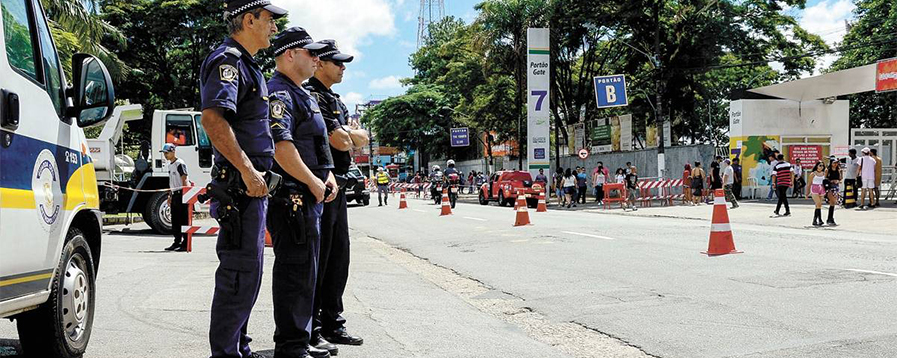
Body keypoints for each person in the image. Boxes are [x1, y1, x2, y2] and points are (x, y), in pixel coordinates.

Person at [199, 2, 286, 357]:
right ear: (249, 20)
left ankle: (239, 347)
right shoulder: (228, 61)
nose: (274, 29)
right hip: (240, 185)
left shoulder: (247, 65)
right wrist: (248, 170)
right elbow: (213, 120)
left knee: (248, 275)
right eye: (269, 21)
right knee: (238, 275)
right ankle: (225, 353)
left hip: (251, 187)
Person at [267, 27, 340, 358]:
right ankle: (291, 344)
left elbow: (317, 142)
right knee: (294, 270)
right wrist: (312, 181)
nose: (316, 58)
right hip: (292, 197)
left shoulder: (303, 93)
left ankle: (305, 336)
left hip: (311, 194)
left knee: (309, 270)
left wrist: (327, 175)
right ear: (290, 55)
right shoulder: (279, 93)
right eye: (310, 53)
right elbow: (282, 147)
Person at [304, 39, 367, 352]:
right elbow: (341, 140)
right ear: (320, 63)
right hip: (320, 183)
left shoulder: (336, 100)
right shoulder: (311, 94)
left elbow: (360, 137)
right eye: (338, 62)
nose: (343, 68)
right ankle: (312, 328)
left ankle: (333, 323)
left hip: (340, 184)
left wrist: (351, 136)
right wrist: (351, 136)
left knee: (339, 257)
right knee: (321, 258)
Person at [162, 143, 190, 251]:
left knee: (183, 219)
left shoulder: (179, 163)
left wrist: (185, 194)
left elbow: (184, 178)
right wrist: (170, 196)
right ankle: (177, 241)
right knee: (175, 220)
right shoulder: (170, 165)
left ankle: (185, 242)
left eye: (167, 153)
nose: (165, 155)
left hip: (181, 193)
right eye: (164, 153)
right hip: (174, 194)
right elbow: (171, 182)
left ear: (173, 152)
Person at [806, 161, 826, 226]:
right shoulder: (813, 174)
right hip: (815, 188)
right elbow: (809, 184)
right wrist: (807, 193)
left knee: (818, 205)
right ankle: (819, 220)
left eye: (822, 166)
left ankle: (816, 220)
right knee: (818, 203)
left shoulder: (824, 173)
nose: (821, 167)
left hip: (822, 188)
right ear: (816, 166)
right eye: (820, 165)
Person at [825, 157, 841, 225]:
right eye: (834, 163)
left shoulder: (838, 169)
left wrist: (838, 180)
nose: (835, 164)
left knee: (833, 203)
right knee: (832, 202)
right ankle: (830, 218)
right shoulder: (827, 170)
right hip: (830, 187)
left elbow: (840, 178)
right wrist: (831, 181)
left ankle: (830, 218)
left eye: (836, 163)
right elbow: (825, 179)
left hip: (836, 187)